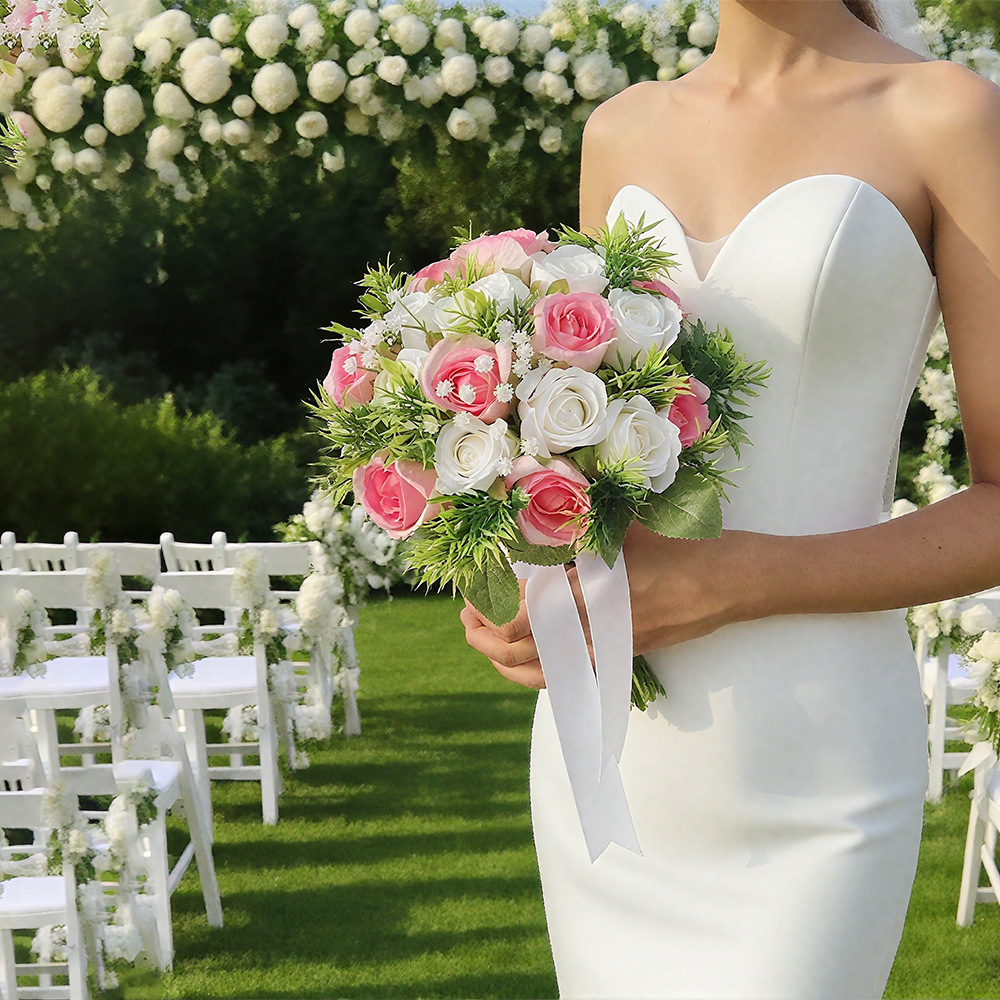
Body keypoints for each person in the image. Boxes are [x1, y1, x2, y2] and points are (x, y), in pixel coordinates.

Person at [460, 1, 1000, 996]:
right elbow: (591, 446)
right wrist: (520, 573)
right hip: (620, 751)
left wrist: (741, 577)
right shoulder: (618, 130)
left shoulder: (947, 115)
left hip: (819, 768)